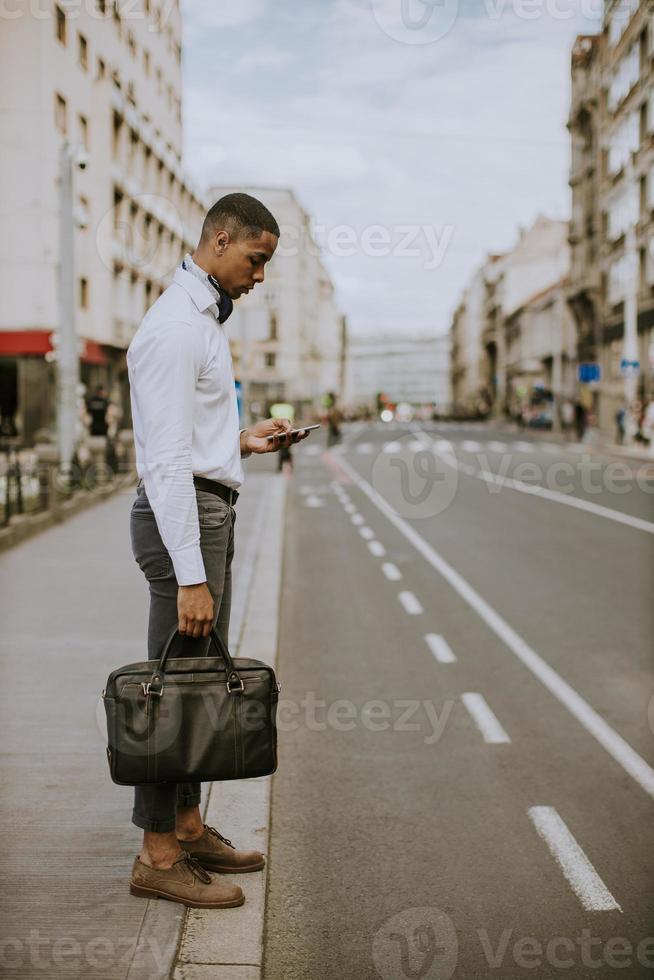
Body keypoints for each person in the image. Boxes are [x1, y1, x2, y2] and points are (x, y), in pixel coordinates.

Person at [125, 193, 309, 909]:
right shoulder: (175, 327)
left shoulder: (199, 320)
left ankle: (189, 825)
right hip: (185, 526)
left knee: (194, 690)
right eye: (256, 260)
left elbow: (189, 443)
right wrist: (190, 578)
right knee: (171, 695)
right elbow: (165, 462)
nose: (260, 276)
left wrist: (241, 442)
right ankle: (158, 854)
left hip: (203, 512)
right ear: (222, 240)